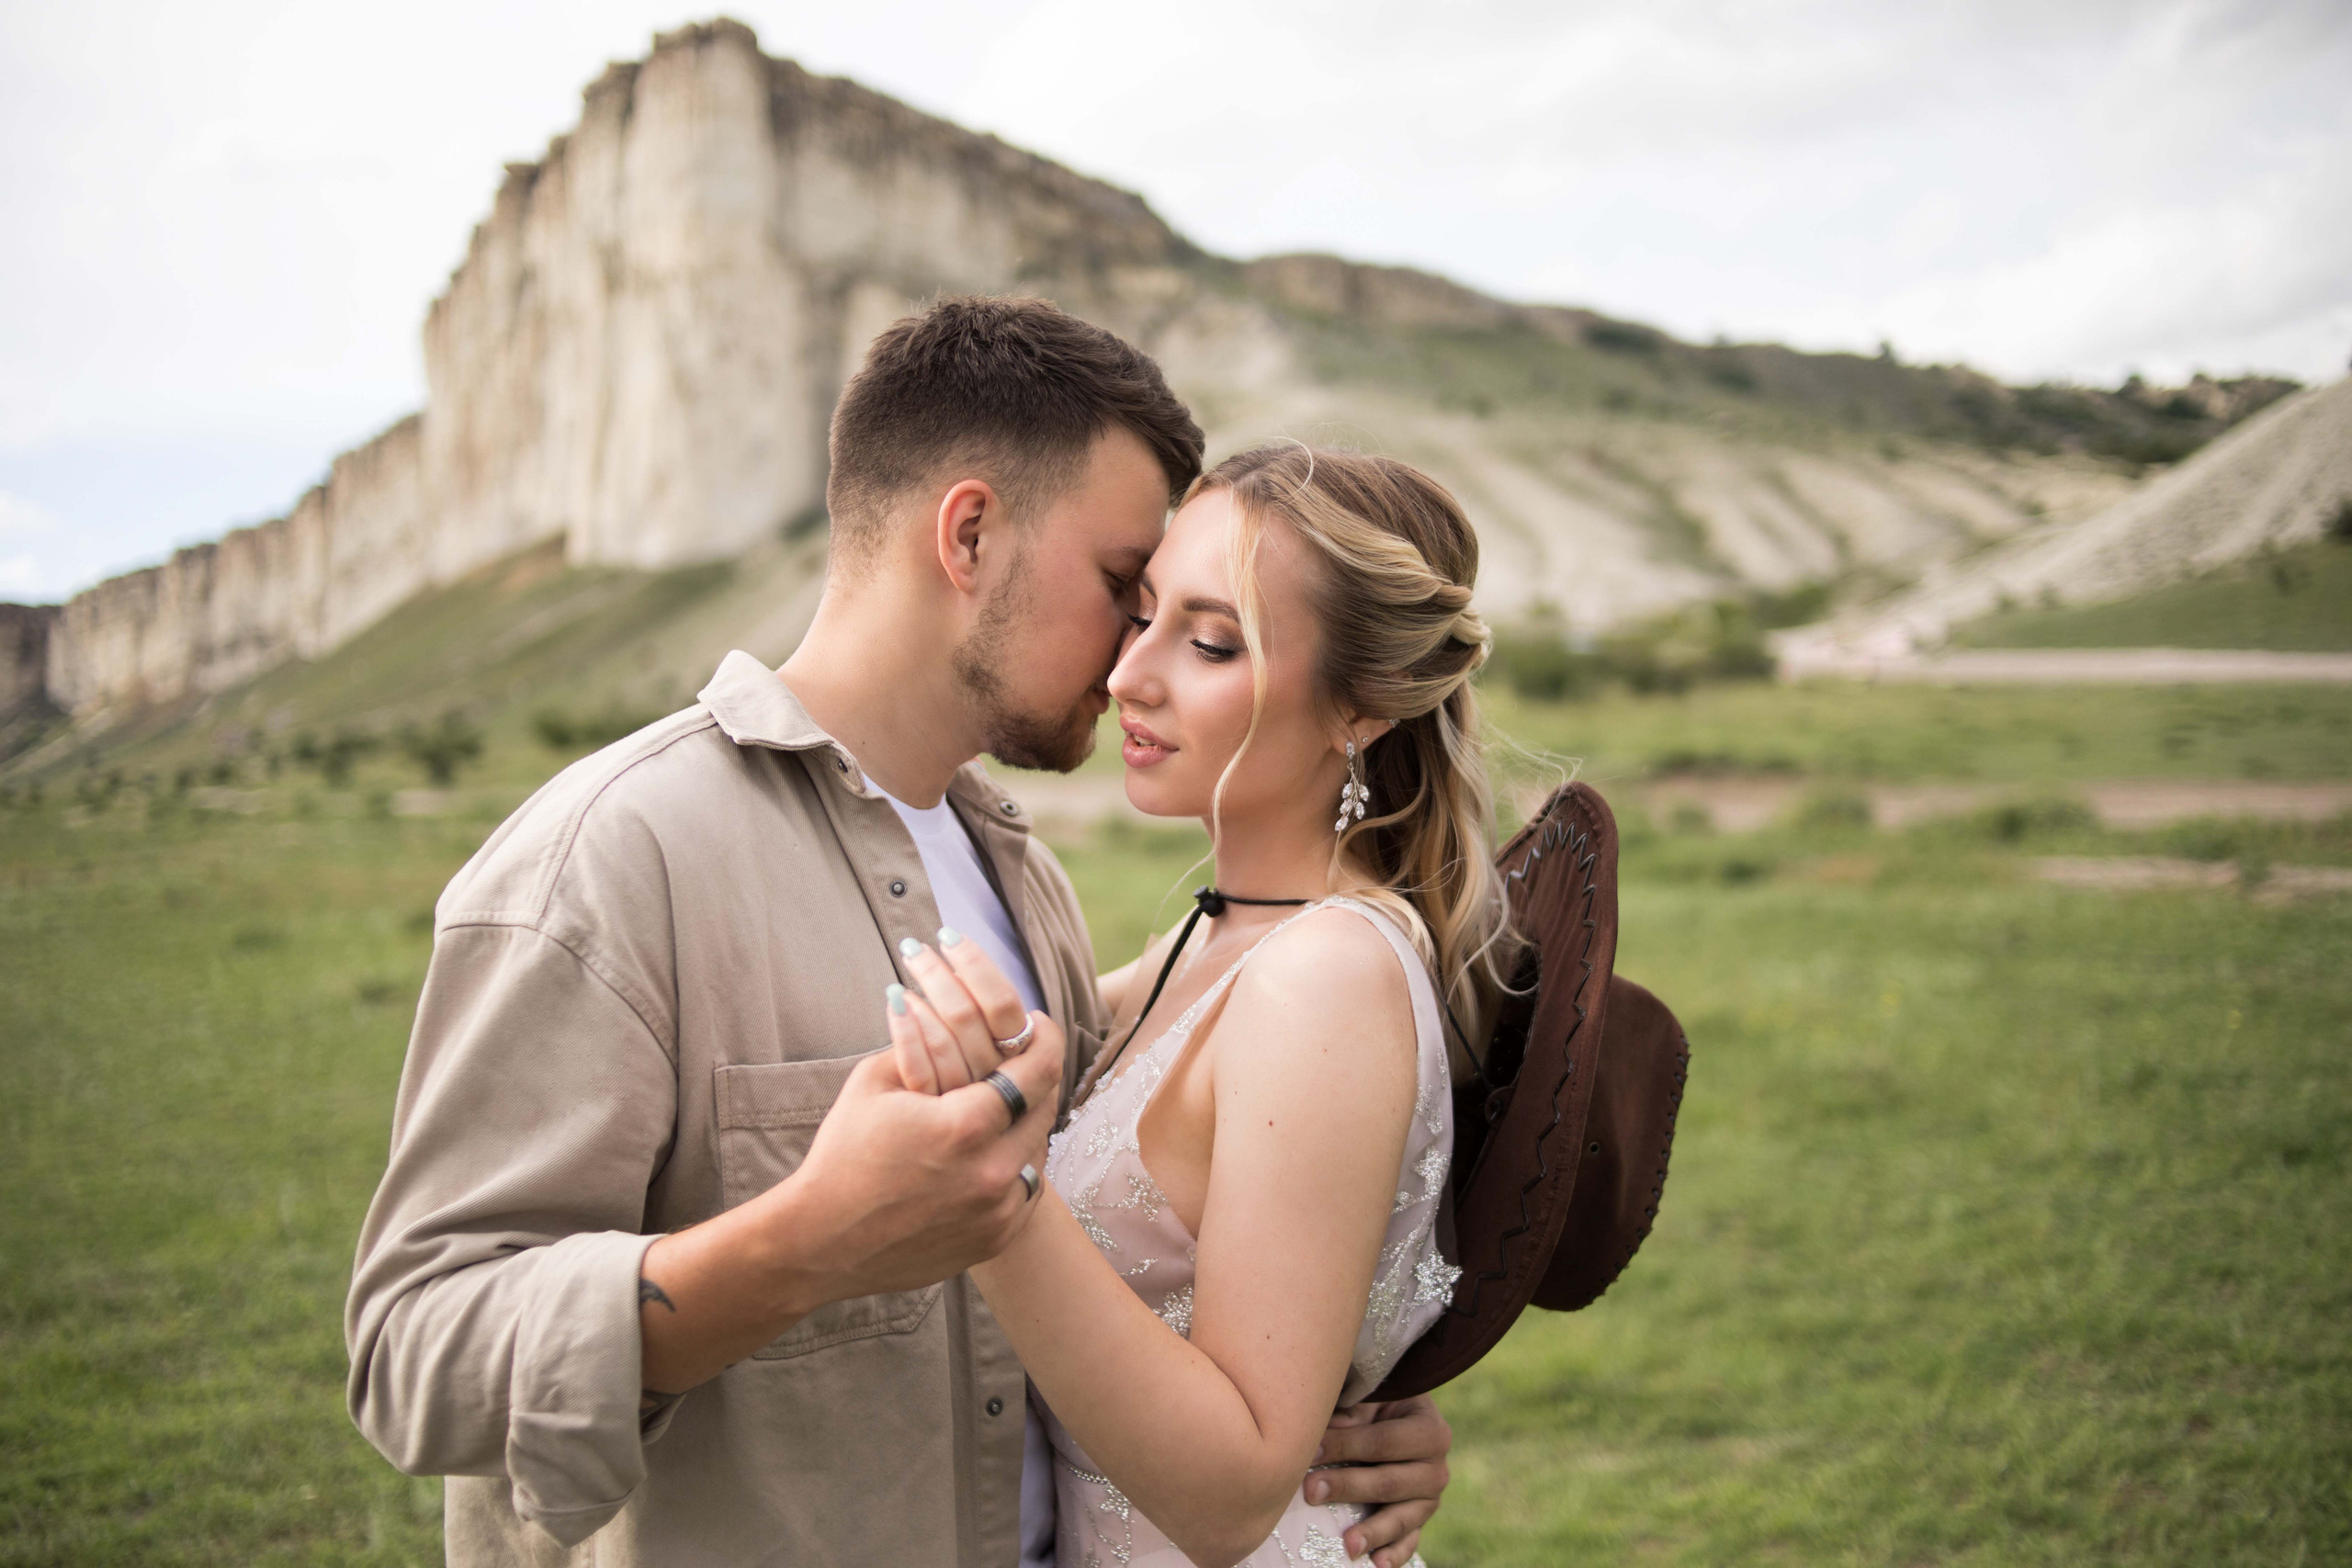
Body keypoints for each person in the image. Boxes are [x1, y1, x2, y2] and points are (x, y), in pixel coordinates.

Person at [345, 298, 1454, 1567]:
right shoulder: (615, 853)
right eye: (1120, 590)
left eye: (1182, 621)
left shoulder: (1022, 874)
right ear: (970, 532)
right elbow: (411, 1356)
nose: (1130, 658)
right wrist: (803, 1239)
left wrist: (1330, 1420)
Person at [879, 443, 1514, 1568]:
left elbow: (1231, 1497)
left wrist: (997, 1198)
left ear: (1360, 708)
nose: (1131, 674)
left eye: (1213, 641)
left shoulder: (1324, 978)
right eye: (1145, 614)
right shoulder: (1210, 935)